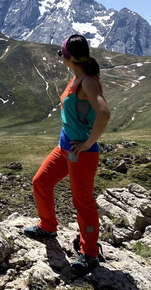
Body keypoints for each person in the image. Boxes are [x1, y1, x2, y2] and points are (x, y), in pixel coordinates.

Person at [23, 34, 111, 276]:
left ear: (69, 58)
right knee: (41, 181)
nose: (60, 57)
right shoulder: (78, 77)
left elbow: (104, 113)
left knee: (83, 203)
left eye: (61, 54)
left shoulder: (88, 83)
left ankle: (90, 253)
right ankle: (47, 227)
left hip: (82, 153)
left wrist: (88, 143)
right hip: (65, 147)